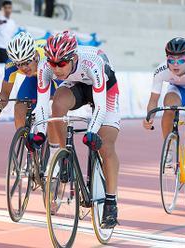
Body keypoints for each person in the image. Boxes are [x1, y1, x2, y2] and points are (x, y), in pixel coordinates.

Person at [28, 31, 120, 229]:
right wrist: (41, 133)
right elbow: (43, 106)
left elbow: (101, 106)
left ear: (74, 58)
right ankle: (66, 156)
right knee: (58, 103)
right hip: (77, 84)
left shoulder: (93, 61)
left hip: (105, 89)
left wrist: (92, 131)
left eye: (61, 64)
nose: (56, 68)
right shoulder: (45, 66)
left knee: (105, 146)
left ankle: (111, 204)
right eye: (52, 63)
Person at [0, 32, 60, 171]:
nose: (23, 67)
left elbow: (61, 86)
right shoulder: (11, 66)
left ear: (34, 55)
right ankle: (31, 154)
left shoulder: (48, 57)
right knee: (19, 108)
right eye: (19, 64)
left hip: (52, 76)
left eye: (27, 62)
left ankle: (54, 155)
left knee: (51, 110)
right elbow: (4, 94)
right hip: (33, 79)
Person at [143, 37, 185, 189]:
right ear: (166, 58)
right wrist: (149, 117)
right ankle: (168, 147)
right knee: (168, 109)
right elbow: (154, 99)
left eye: (180, 60)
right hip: (177, 91)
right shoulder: (161, 70)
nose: (175, 64)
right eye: (171, 59)